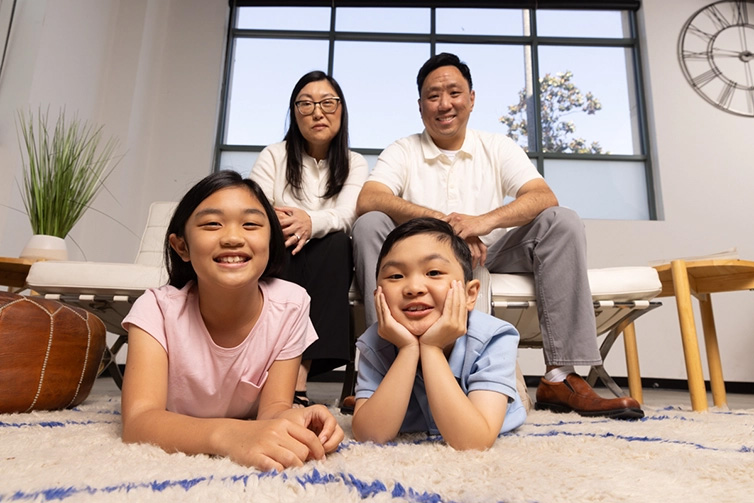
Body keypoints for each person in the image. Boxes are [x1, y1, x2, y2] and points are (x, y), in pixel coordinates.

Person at [352, 52, 643, 420]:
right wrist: (447, 227)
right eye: (433, 95)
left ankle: (562, 376)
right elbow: (369, 198)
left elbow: (543, 196)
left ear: (471, 98)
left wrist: (483, 222)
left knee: (561, 219)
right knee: (368, 223)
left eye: (454, 92)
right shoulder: (403, 149)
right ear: (420, 105)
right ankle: (381, 372)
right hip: (423, 261)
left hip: (491, 250)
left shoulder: (497, 145)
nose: (445, 104)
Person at [120, 170, 344, 472]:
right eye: (212, 224)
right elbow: (139, 422)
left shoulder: (292, 304)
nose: (233, 238)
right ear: (181, 246)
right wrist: (229, 434)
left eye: (251, 224)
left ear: (271, 241)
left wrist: (295, 419)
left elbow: (273, 409)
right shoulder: (156, 309)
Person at [351, 218, 526, 449]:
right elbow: (369, 435)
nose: (414, 288)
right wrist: (408, 349)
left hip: (494, 384)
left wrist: (432, 348)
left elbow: (473, 441)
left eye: (433, 272)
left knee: (512, 388)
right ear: (378, 295)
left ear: (470, 294)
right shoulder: (374, 343)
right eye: (395, 276)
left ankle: (512, 382)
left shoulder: (494, 337)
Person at [251, 71, 367, 406]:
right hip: (280, 251)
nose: (318, 112)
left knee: (334, 244)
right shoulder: (274, 155)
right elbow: (257, 207)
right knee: (294, 244)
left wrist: (308, 221)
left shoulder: (354, 164)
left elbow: (348, 214)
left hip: (329, 260)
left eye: (328, 103)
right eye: (306, 104)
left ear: (341, 111)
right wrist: (294, 224)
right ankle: (285, 382)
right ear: (294, 112)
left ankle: (296, 380)